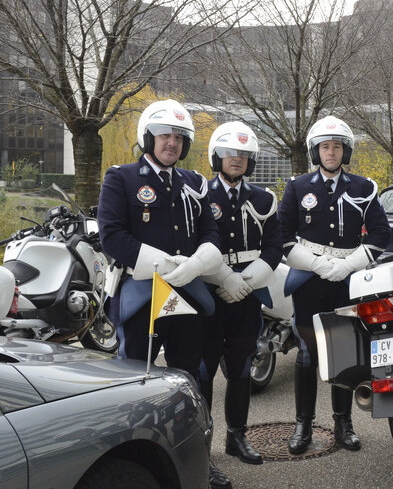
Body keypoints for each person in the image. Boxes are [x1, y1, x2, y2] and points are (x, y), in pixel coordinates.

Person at [97, 99, 231, 489]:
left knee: (193, 378)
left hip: (186, 293)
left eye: (179, 137)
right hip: (142, 293)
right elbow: (112, 236)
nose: (171, 143)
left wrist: (201, 260)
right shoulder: (120, 178)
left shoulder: (194, 183)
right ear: (149, 137)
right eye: (165, 136)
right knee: (135, 379)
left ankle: (201, 461)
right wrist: (165, 264)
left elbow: (211, 233)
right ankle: (135, 465)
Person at [278, 115, 390, 454]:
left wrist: (347, 266)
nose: (331, 152)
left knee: (344, 350)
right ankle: (303, 425)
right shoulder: (297, 187)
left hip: (347, 280)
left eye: (337, 146)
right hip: (310, 280)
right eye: (325, 147)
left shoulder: (363, 188)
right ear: (316, 151)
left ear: (346, 151)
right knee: (308, 354)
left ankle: (344, 423)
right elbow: (282, 237)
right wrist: (316, 264)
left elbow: (382, 235)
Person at [200, 121, 282, 468]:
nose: (237, 159)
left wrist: (245, 283)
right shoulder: (199, 194)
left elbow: (274, 247)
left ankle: (236, 436)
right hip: (208, 295)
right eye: (231, 153)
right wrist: (223, 281)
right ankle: (202, 445)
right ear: (217, 156)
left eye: (244, 155)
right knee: (203, 373)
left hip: (246, 296)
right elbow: (193, 244)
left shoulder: (263, 198)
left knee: (241, 370)